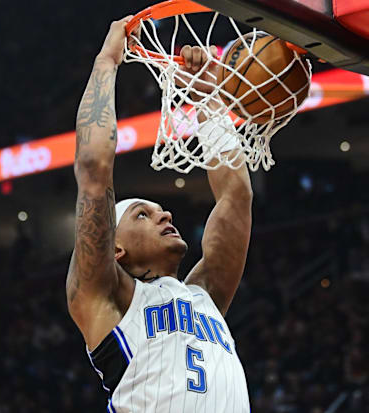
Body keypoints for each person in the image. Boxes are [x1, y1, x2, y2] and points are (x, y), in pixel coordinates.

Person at [66, 16, 252, 412]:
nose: (164, 213)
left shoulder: (204, 297)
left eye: (157, 209)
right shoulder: (106, 301)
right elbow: (94, 171)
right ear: (114, 249)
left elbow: (235, 196)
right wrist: (106, 62)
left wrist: (207, 99)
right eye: (141, 215)